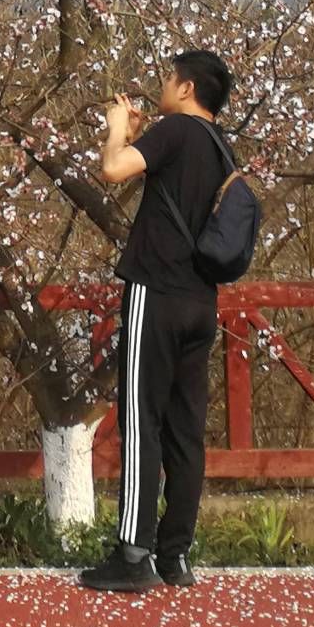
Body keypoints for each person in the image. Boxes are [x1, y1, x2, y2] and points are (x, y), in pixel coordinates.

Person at [81, 50, 234, 592]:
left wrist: (117, 131)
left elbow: (111, 170)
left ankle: (131, 554)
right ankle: (175, 555)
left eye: (169, 78)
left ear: (187, 89)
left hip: (157, 292)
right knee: (186, 428)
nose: (162, 85)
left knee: (141, 419)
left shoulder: (177, 130)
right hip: (200, 300)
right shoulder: (220, 146)